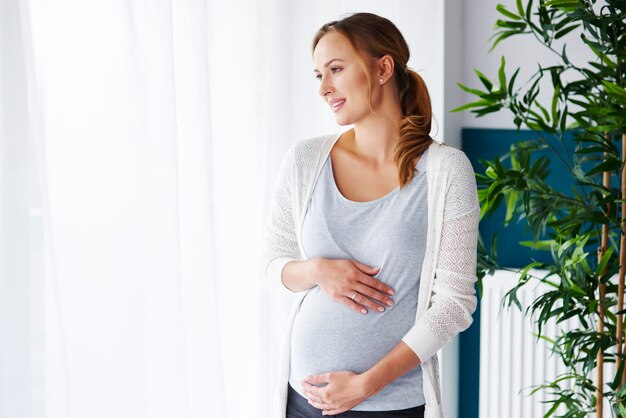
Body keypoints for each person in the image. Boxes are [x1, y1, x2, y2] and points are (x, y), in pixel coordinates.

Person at [260, 12, 479, 418]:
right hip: (303, 400)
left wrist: (367, 384)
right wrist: (319, 270)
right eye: (318, 75)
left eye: (336, 69)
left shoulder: (447, 171)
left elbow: (453, 304)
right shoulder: (306, 160)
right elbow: (272, 265)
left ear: (383, 68)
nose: (324, 88)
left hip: (390, 405)